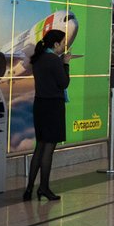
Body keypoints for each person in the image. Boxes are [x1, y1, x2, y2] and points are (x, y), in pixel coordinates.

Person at [24, 29, 69, 201]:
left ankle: (29, 189)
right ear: (56, 44)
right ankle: (43, 188)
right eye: (62, 43)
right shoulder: (54, 60)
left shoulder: (38, 59)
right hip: (53, 107)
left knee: (40, 147)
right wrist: (66, 64)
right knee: (48, 150)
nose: (64, 46)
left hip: (40, 105)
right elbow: (64, 83)